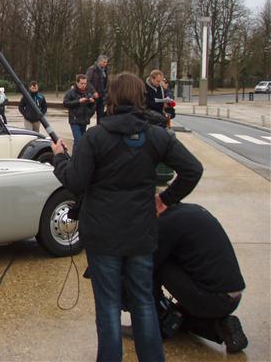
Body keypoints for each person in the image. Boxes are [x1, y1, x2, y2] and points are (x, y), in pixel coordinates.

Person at [51, 72, 203, 362]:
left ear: (112, 98)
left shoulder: (95, 137)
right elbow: (193, 170)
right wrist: (165, 200)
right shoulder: (157, 136)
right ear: (140, 98)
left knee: (108, 307)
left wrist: (59, 158)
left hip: (103, 237)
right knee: (143, 301)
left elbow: (75, 182)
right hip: (140, 235)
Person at [154, 200, 248, 353]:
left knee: (155, 265)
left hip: (213, 298)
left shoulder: (165, 224)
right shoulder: (190, 210)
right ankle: (223, 327)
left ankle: (157, 319)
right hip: (231, 295)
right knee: (178, 314)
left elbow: (148, 265)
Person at [62, 74, 95, 146]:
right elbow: (65, 103)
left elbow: (92, 107)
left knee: (81, 142)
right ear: (77, 83)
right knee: (78, 141)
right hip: (75, 120)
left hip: (84, 120)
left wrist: (92, 103)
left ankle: (76, 153)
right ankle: (77, 153)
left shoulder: (88, 93)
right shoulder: (71, 92)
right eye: (81, 83)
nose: (83, 85)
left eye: (85, 83)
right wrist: (78, 101)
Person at [86, 54, 109, 123]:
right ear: (99, 62)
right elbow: (87, 81)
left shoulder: (105, 70)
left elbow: (106, 82)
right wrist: (93, 92)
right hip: (93, 95)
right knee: (90, 112)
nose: (105, 64)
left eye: (106, 62)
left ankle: (99, 127)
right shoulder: (92, 69)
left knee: (101, 114)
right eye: (104, 62)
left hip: (102, 95)